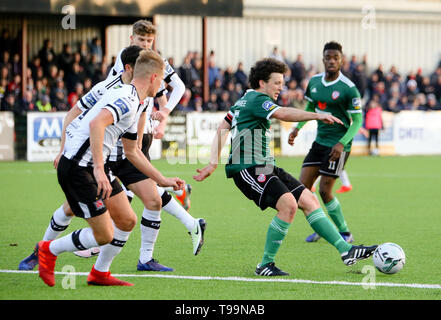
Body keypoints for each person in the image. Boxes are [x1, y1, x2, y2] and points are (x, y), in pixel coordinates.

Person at [19, 47, 204, 274]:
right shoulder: (125, 97)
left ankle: (101, 273)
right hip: (80, 166)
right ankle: (46, 249)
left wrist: (162, 179)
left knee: (127, 220)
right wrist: (98, 168)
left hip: (100, 163)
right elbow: (96, 123)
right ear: (152, 76)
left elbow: (133, 151)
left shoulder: (138, 100)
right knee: (103, 233)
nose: (164, 88)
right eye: (163, 82)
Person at [194, 57, 377, 276]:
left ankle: (346, 250)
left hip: (264, 166)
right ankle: (265, 264)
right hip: (248, 168)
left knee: (309, 199)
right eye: (277, 82)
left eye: (282, 82)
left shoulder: (244, 99)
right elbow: (282, 113)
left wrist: (213, 163)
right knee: (288, 205)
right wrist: (317, 115)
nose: (281, 87)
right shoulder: (258, 100)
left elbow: (223, 126)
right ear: (262, 83)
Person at [108, 19, 191, 210]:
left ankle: (189, 219)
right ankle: (180, 194)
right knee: (141, 182)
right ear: (131, 39)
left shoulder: (154, 62)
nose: (145, 44)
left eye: (149, 40)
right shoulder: (129, 57)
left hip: (137, 129)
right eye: (141, 39)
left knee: (138, 183)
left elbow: (176, 88)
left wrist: (165, 113)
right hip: (125, 125)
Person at [288, 41, 363, 244]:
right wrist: (297, 127)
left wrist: (342, 143)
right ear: (323, 59)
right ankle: (322, 226)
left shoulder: (349, 89)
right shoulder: (314, 82)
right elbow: (311, 105)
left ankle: (345, 232)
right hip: (319, 142)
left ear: (342, 60)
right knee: (302, 188)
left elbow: (357, 121)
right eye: (328, 57)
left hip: (339, 145)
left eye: (335, 58)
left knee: (324, 191)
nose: (331, 61)